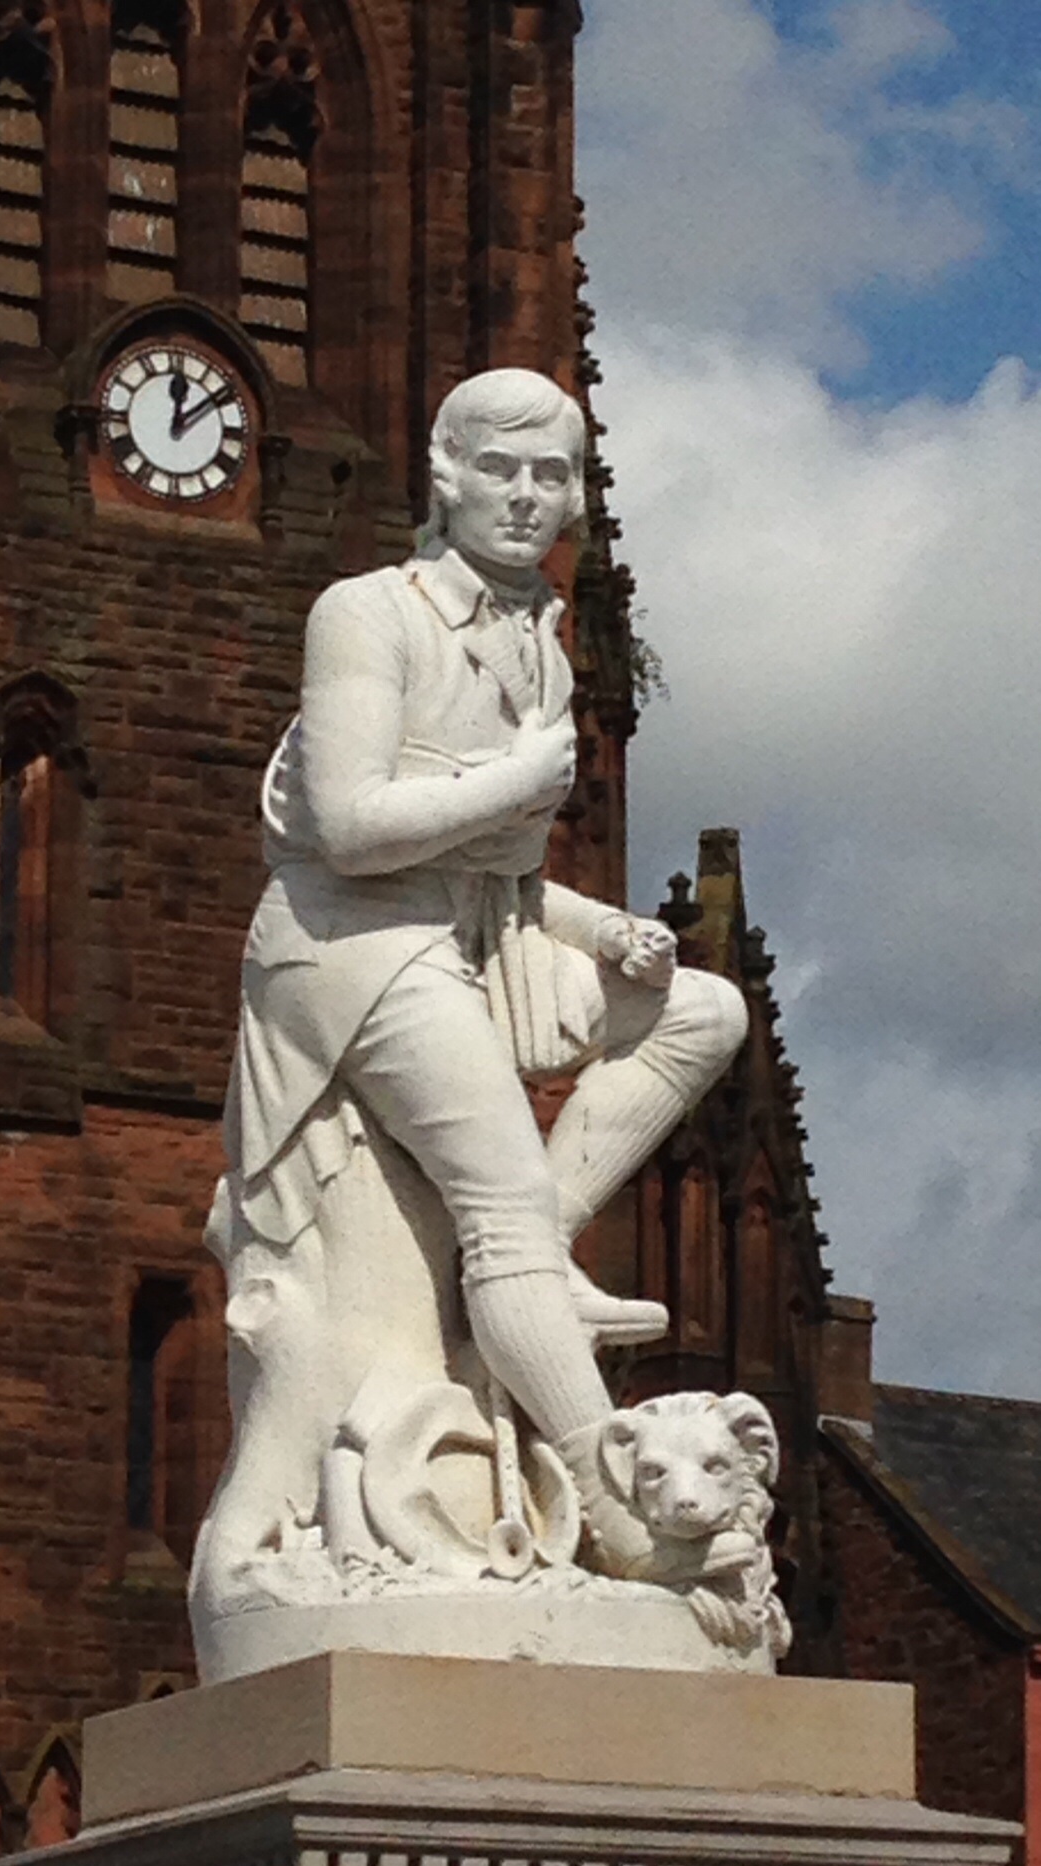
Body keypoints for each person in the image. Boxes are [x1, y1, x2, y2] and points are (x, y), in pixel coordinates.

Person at [222, 366, 747, 1568]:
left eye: (548, 474)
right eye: (497, 468)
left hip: (481, 938)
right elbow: (351, 827)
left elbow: (492, 866)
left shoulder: (544, 646)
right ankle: (617, 1505)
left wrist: (600, 933)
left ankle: (530, 1264)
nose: (522, 496)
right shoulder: (368, 612)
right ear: (445, 476)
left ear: (572, 498)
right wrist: (521, 784)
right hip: (355, 947)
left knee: (702, 1012)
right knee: (500, 1209)